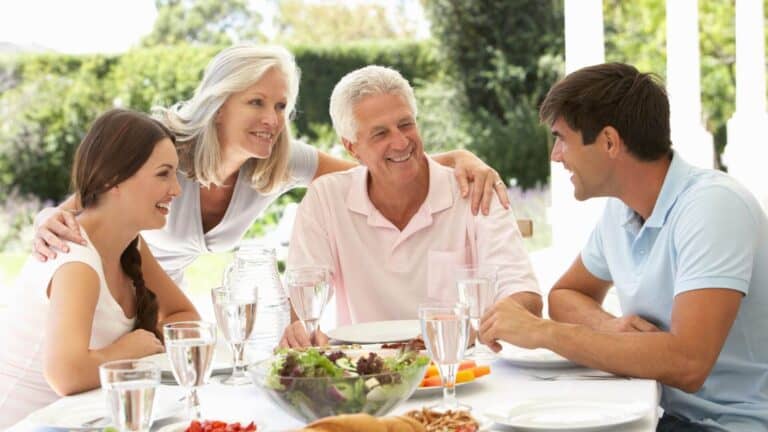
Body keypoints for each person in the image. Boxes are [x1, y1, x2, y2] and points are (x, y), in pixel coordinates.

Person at [32, 44, 509, 288]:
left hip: (161, 305)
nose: (271, 120)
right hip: (105, 295)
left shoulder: (279, 161)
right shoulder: (162, 146)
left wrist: (459, 160)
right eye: (256, 102)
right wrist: (43, 220)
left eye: (281, 106)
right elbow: (82, 205)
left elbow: (371, 166)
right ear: (219, 105)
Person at [478, 63, 768, 431]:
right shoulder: (621, 212)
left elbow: (688, 363)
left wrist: (542, 332)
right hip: (664, 415)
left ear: (610, 142)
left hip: (734, 423)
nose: (555, 155)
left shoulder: (713, 206)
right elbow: (566, 293)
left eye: (562, 138)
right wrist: (609, 327)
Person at [280, 65, 541, 348]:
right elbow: (302, 301)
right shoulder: (326, 199)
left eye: (406, 124)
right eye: (380, 134)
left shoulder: (474, 189)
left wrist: (477, 331)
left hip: (458, 370)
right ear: (352, 147)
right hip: (368, 378)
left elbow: (525, 297)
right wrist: (300, 333)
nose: (401, 142)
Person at [0, 109, 200, 428]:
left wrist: (146, 343)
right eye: (163, 174)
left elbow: (185, 319)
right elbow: (65, 375)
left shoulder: (129, 244)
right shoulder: (76, 259)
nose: (176, 189)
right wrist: (130, 348)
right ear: (112, 180)